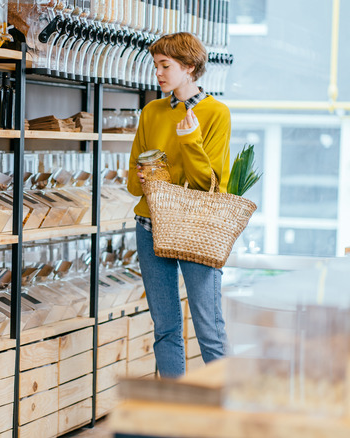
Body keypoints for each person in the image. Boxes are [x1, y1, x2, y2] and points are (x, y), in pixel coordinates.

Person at [127, 32, 231, 378]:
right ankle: (176, 415)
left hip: (196, 230)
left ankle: (226, 418)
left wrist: (189, 140)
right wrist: (143, 179)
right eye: (156, 64)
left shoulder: (216, 114)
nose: (158, 72)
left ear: (189, 67)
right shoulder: (151, 111)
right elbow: (132, 182)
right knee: (165, 329)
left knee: (209, 329)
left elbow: (208, 184)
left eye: (165, 65)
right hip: (149, 226)